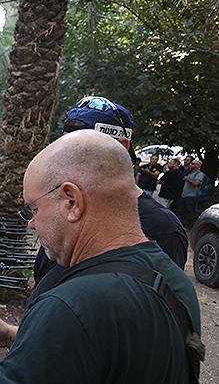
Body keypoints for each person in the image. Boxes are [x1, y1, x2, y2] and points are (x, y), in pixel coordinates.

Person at [0, 130, 203, 384]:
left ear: (72, 201)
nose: (31, 223)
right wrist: (15, 336)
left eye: (33, 209)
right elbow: (114, 365)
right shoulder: (174, 280)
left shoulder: (73, 306)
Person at [29, 96, 188, 306]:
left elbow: (154, 323)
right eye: (64, 146)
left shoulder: (162, 227)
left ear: (122, 147)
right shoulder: (64, 207)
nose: (65, 159)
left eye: (82, 148)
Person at [177, 159, 208, 227]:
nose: (191, 165)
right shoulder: (190, 173)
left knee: (190, 212)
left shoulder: (199, 174)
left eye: (193, 164)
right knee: (182, 211)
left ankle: (188, 226)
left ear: (198, 165)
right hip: (184, 195)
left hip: (192, 196)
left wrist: (187, 179)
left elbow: (196, 183)